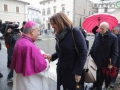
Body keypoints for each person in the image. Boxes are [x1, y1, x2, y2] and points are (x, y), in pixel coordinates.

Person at [45, 12, 87, 90]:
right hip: (63, 71)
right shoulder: (59, 34)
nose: (52, 26)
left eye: (54, 23)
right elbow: (62, 51)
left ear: (60, 22)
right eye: (51, 23)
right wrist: (52, 56)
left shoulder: (75, 32)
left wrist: (78, 72)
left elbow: (83, 53)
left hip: (74, 71)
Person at [10, 21, 50, 90]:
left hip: (22, 81)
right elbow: (42, 67)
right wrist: (47, 60)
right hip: (30, 83)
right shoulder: (29, 46)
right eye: (38, 31)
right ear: (32, 31)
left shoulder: (20, 40)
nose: (38, 33)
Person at [89, 22, 118, 90]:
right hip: (95, 59)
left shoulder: (113, 38)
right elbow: (93, 46)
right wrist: (89, 54)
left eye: (102, 29)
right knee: (94, 74)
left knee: (100, 76)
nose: (100, 30)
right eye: (100, 28)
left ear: (107, 29)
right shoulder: (97, 35)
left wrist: (112, 63)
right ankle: (94, 85)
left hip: (104, 61)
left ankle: (99, 87)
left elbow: (115, 52)